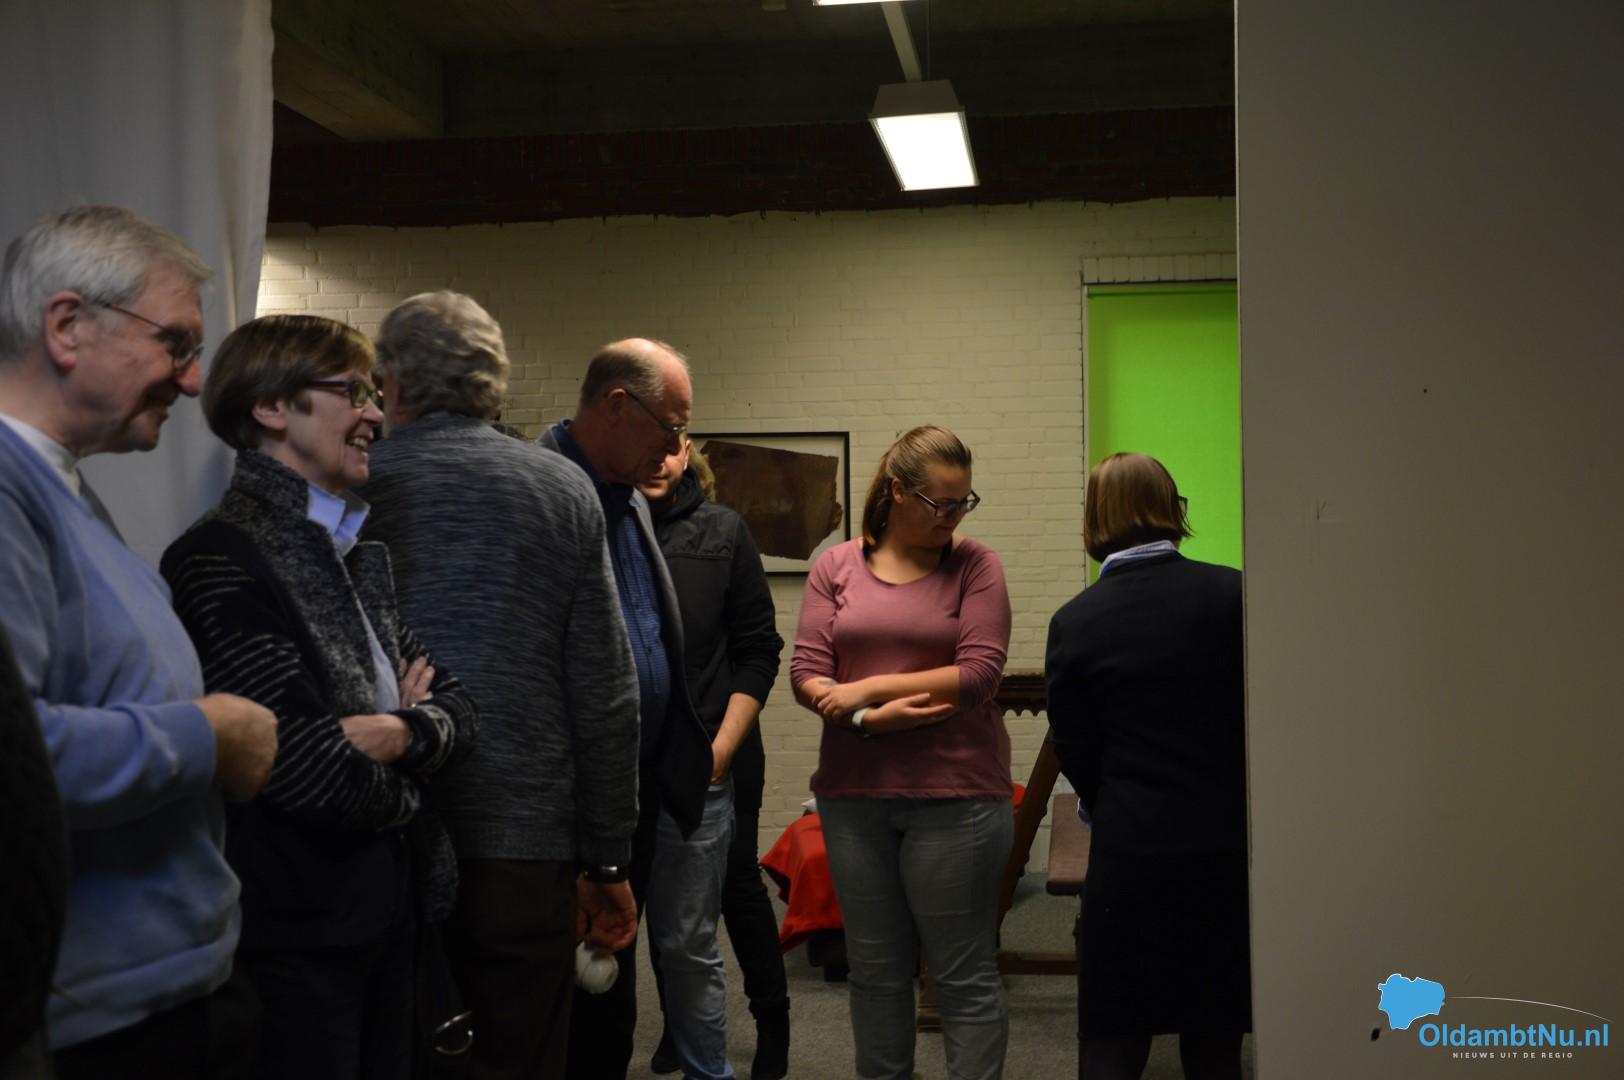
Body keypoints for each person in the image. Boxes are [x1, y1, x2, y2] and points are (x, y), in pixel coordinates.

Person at [0, 205, 278, 1078]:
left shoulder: (59, 488)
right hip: (105, 1027)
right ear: (67, 326)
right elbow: (17, 760)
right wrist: (210, 735)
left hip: (164, 997)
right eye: (176, 344)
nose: (192, 382)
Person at [161, 314, 477, 1079]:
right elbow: (306, 770)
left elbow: (460, 708)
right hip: (300, 938)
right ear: (272, 406)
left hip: (385, 919)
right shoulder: (217, 557)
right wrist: (419, 773)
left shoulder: (350, 552)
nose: (376, 416)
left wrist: (401, 734)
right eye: (353, 392)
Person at [358, 291, 640, 1077]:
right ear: (494, 380)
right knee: (520, 1053)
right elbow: (606, 693)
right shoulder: (561, 489)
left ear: (391, 381)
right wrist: (607, 858)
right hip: (524, 848)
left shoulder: (353, 484)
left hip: (382, 830)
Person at [790, 424, 1013, 1080]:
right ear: (896, 492)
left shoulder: (976, 565)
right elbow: (807, 673)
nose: (953, 517)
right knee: (875, 971)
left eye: (963, 503)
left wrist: (865, 691)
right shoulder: (835, 566)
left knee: (961, 973)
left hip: (957, 797)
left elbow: (978, 676)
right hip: (854, 798)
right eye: (940, 503)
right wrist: (867, 720)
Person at [539, 339, 718, 1080]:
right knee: (559, 1004)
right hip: (565, 805)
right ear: (618, 404)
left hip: (632, 794)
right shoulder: (543, 491)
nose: (676, 449)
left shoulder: (630, 499)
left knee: (610, 990)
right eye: (669, 427)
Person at [1044, 452, 1250, 1080]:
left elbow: (1075, 746)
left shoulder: (1074, 622)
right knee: (1215, 1042)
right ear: (1172, 510)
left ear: (1093, 519)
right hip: (1222, 843)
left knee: (1116, 1038)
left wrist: (1112, 803)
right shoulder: (1234, 593)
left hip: (1130, 850)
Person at [639, 438, 787, 1080]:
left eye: (667, 447)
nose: (656, 460)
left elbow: (758, 648)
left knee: (734, 886)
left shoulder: (724, 530)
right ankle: (679, 1025)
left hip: (722, 748)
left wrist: (721, 748)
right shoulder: (608, 526)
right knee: (657, 900)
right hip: (641, 758)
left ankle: (774, 1023)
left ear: (685, 450)